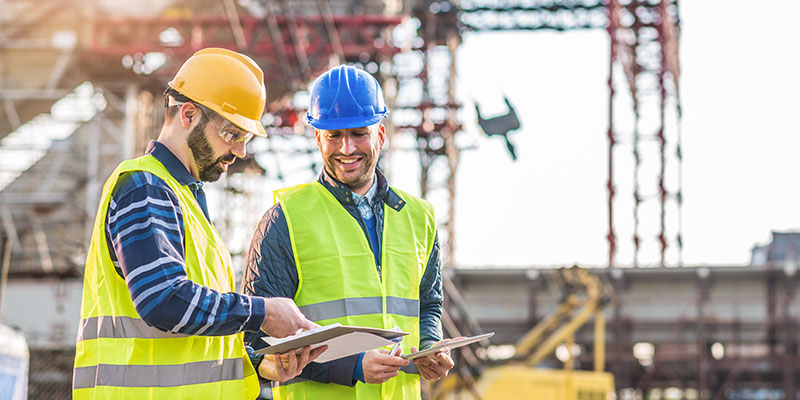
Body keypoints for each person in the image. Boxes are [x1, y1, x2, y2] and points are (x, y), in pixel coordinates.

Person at [72, 48, 324, 400]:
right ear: (188, 115)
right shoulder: (146, 187)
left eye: (245, 138)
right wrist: (262, 312)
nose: (240, 152)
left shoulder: (182, 198)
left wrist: (257, 365)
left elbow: (189, 346)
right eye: (232, 133)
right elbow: (163, 300)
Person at [242, 65, 455, 399]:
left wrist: (430, 346)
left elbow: (428, 304)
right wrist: (353, 366)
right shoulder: (285, 219)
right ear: (317, 138)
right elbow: (257, 344)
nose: (346, 149)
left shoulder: (420, 217)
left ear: (380, 136)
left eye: (358, 134)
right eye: (334, 135)